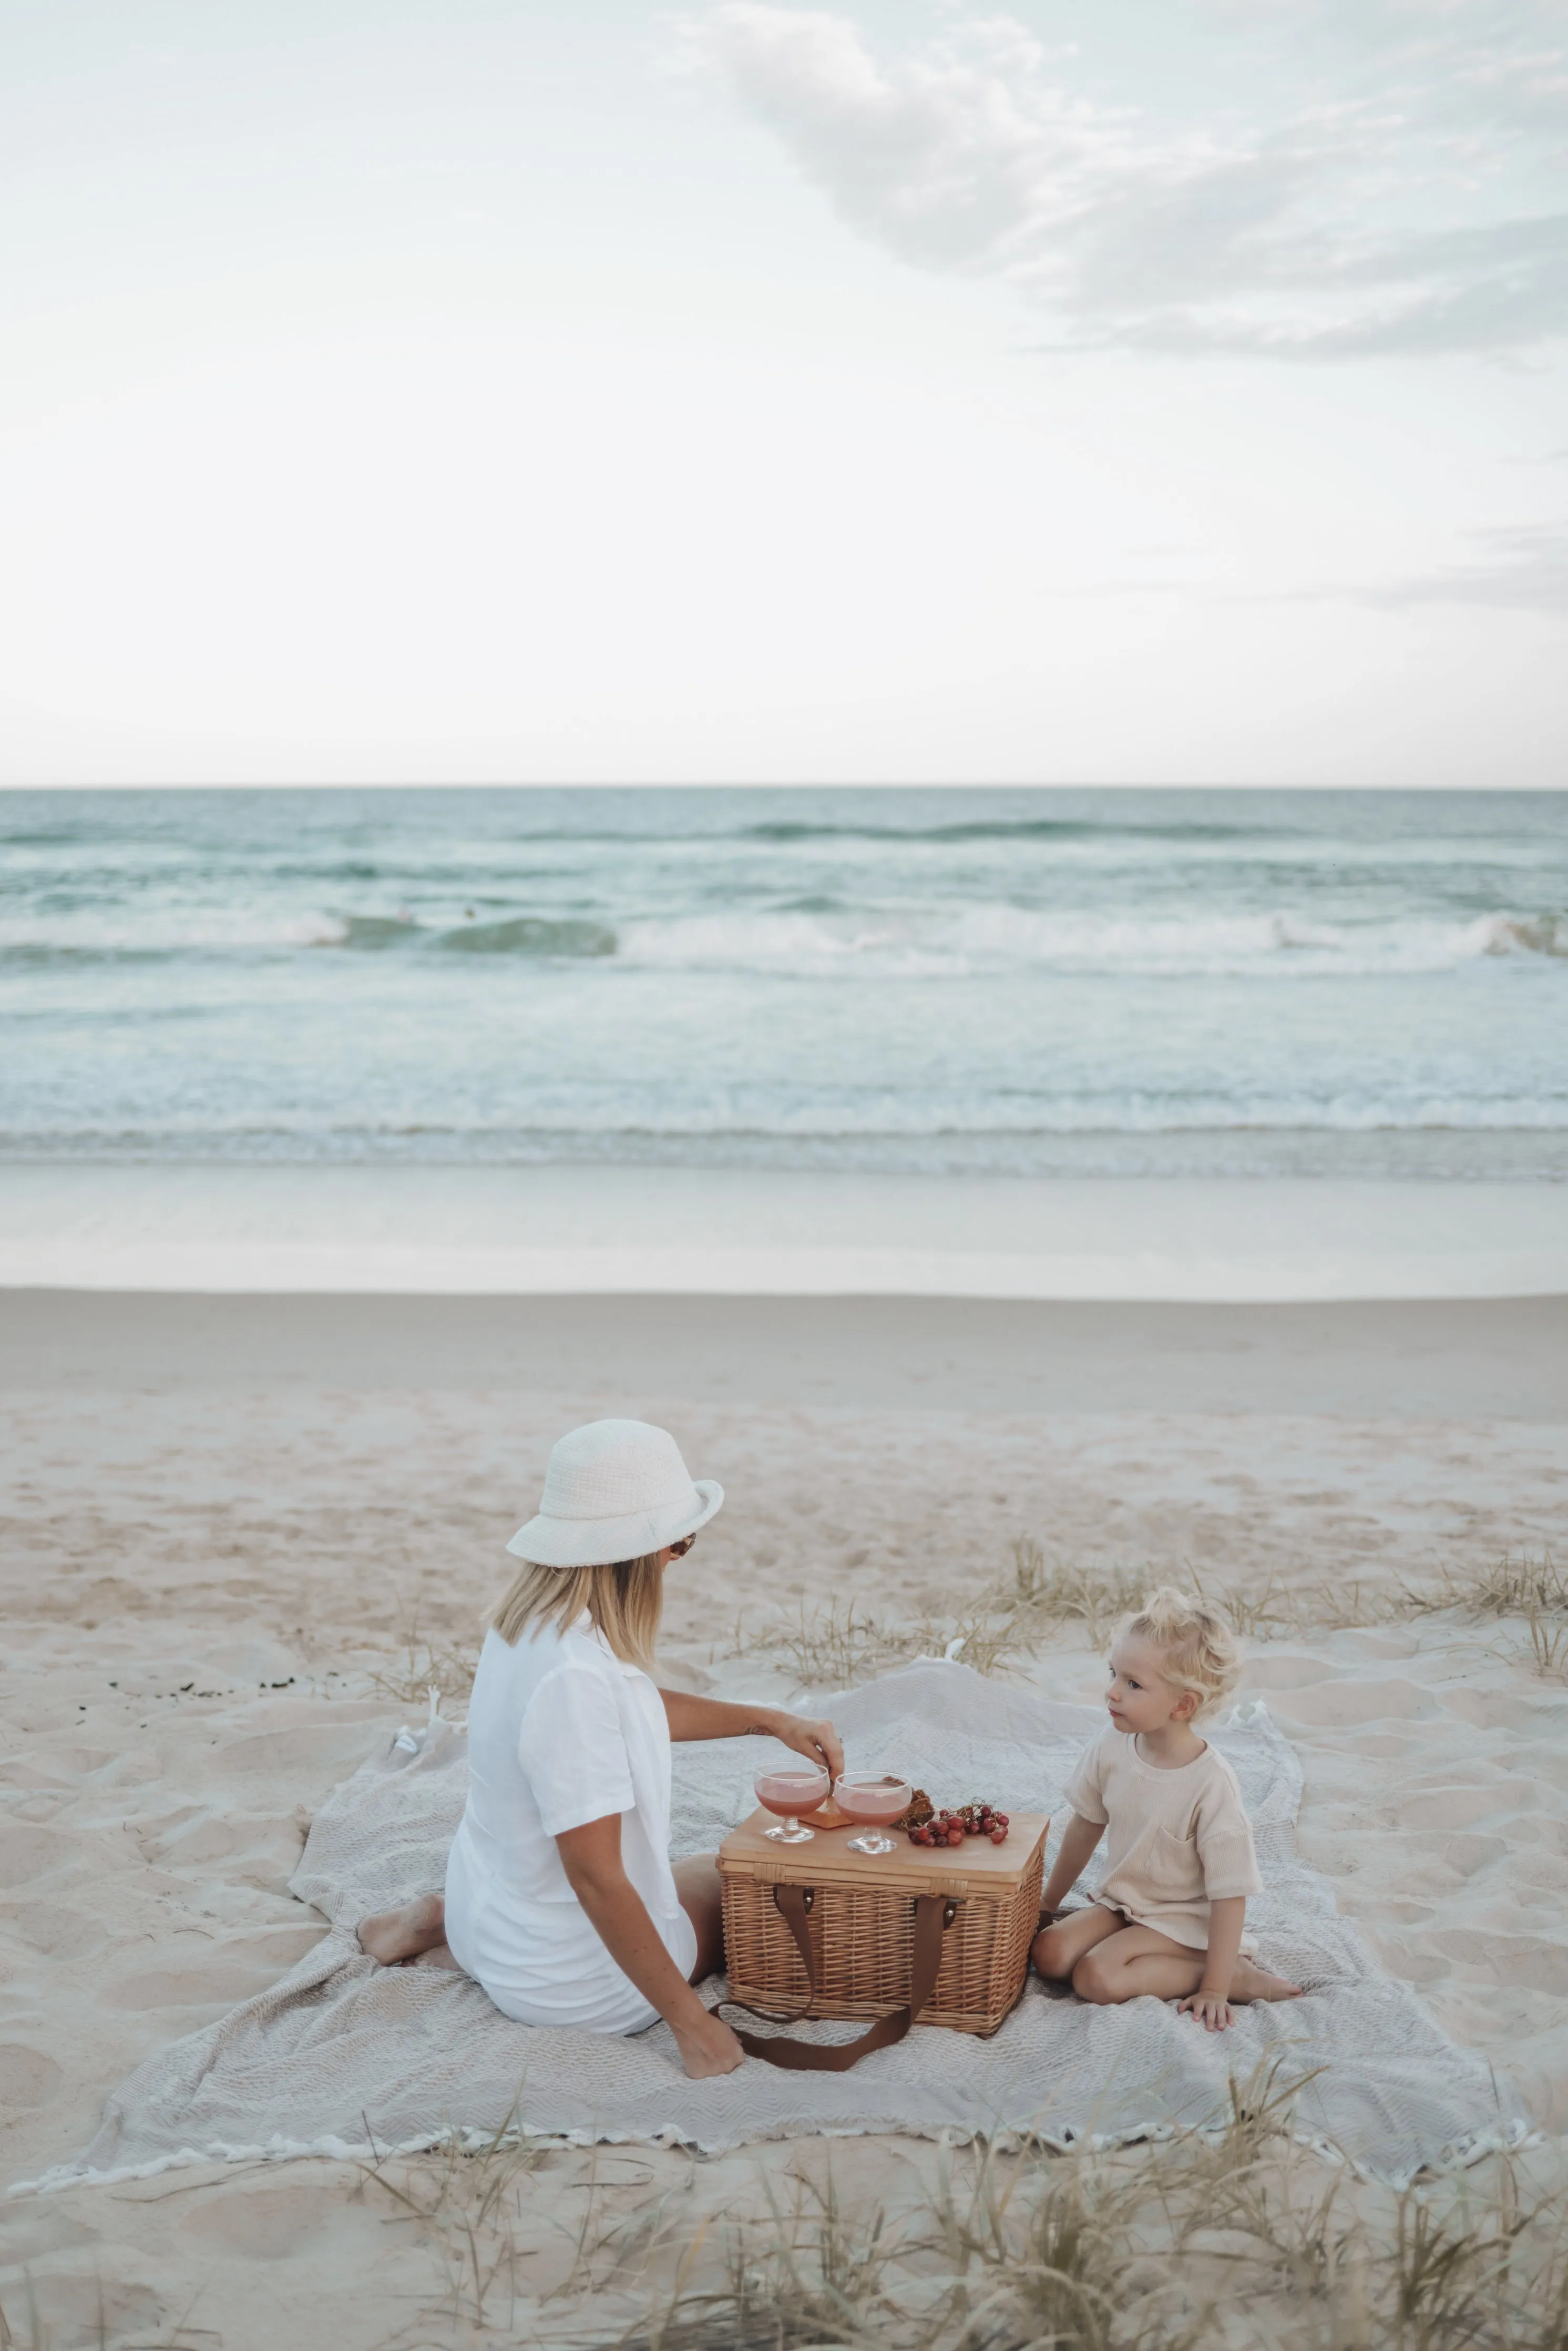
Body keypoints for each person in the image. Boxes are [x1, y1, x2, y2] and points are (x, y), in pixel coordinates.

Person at [357, 1418, 843, 2079]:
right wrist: (692, 2025)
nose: (678, 1557)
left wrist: (768, 1720)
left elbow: (628, 1708)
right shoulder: (574, 1679)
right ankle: (452, 1929)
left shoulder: (528, 1622)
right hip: (567, 1984)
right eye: (680, 1542)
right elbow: (596, 1876)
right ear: (639, 1552)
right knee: (730, 1880)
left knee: (690, 1871)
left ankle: (435, 1920)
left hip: (487, 1916)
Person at [1031, 1587, 1302, 2030]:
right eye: (1113, 1673)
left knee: (1095, 1977)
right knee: (1050, 1953)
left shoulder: (1211, 1784)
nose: (1112, 1693)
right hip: (1123, 1903)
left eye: (1133, 1684)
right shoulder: (1112, 1744)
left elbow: (1229, 1895)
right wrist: (1048, 1900)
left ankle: (1233, 1976)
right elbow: (1085, 1826)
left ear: (1182, 1704)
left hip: (1183, 1921)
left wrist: (1212, 1988)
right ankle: (1133, 1947)